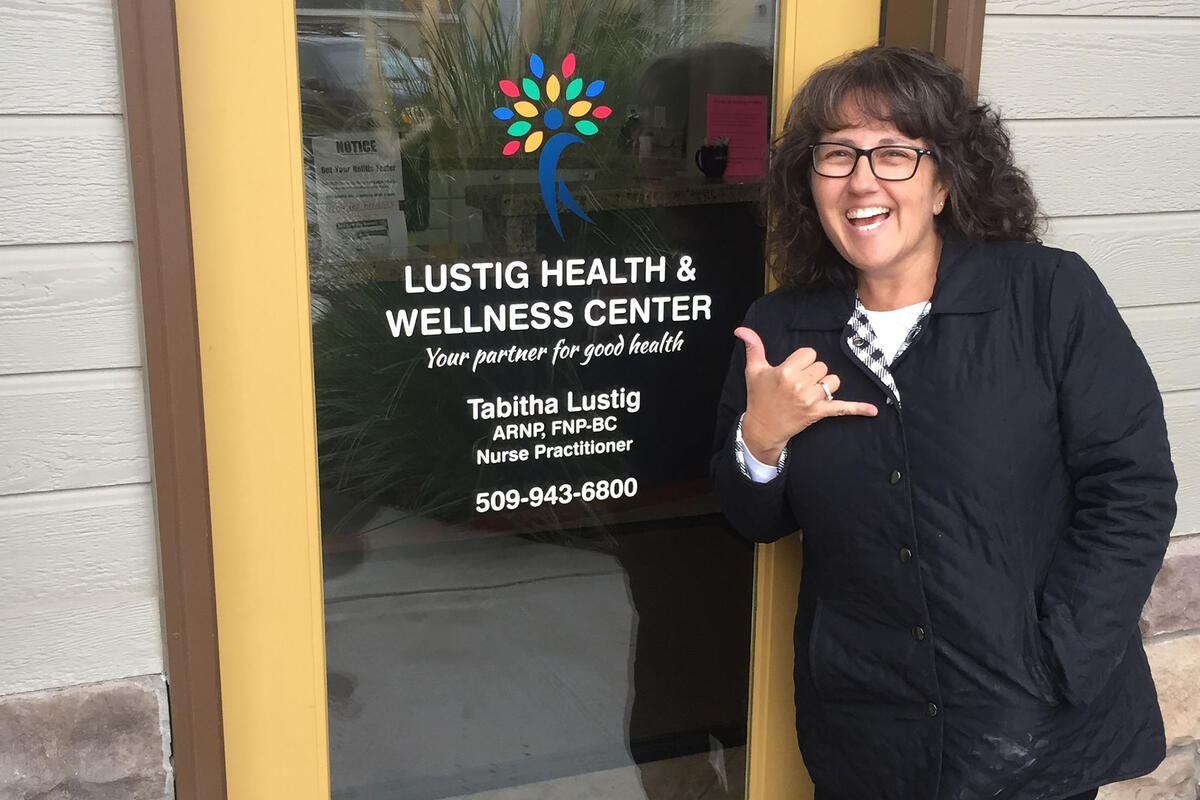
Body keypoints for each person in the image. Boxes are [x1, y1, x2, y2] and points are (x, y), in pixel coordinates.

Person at [711, 46, 1177, 800]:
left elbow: (1133, 489)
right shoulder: (781, 328)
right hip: (868, 729)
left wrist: (1060, 656)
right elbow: (753, 519)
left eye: (894, 152)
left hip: (1034, 727)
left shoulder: (1046, 295)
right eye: (837, 155)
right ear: (811, 183)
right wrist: (760, 438)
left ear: (944, 180)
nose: (862, 179)